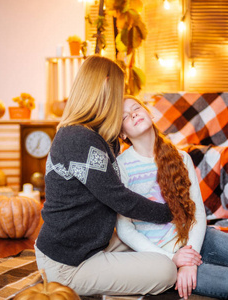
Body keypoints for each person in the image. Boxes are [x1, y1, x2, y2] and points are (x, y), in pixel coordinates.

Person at [116, 95, 228, 299]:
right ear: (122, 133)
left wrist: (190, 258)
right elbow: (124, 228)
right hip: (164, 258)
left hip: (197, 239)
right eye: (124, 117)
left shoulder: (181, 158)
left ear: (148, 113)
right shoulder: (121, 166)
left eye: (136, 108)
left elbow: (197, 213)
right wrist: (175, 260)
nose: (133, 115)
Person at [34, 55, 184, 296]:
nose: (120, 98)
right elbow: (119, 199)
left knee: (149, 240)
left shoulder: (98, 137)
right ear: (105, 87)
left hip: (93, 244)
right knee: (166, 270)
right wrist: (171, 212)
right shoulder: (78, 138)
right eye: (118, 90)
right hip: (69, 264)